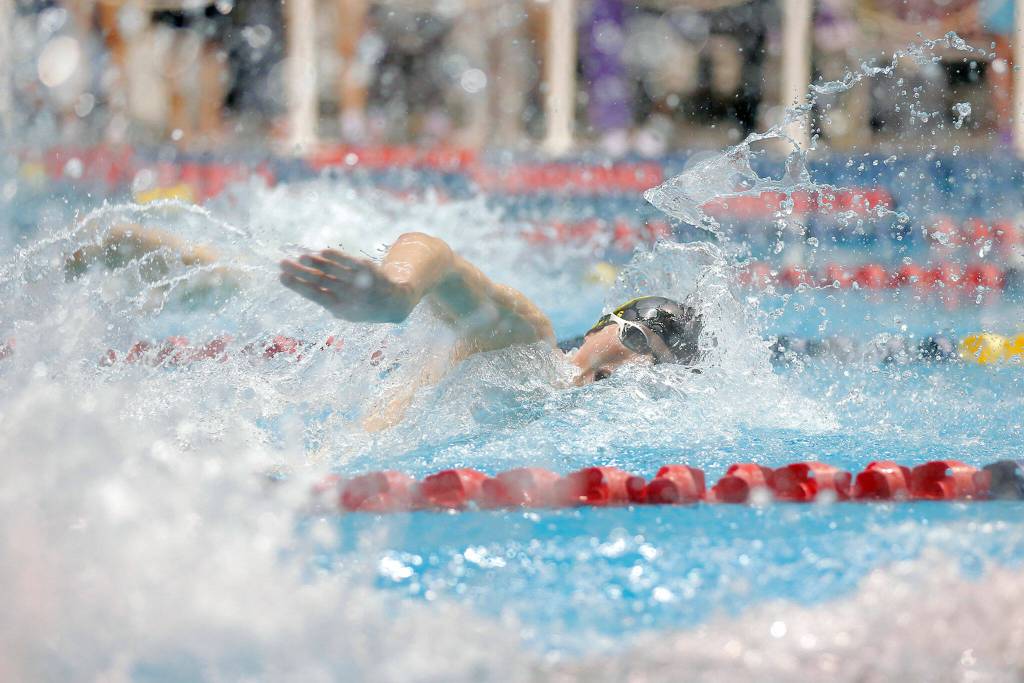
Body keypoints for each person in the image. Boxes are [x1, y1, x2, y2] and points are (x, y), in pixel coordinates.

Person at [279, 232, 705, 405]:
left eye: (654, 363)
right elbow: (437, 256)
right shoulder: (525, 345)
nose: (635, 366)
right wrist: (397, 292)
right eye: (635, 341)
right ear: (598, 327)